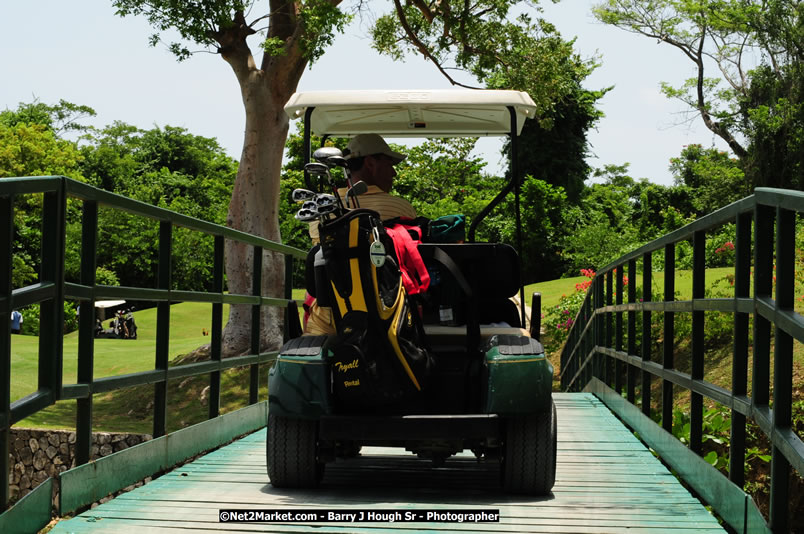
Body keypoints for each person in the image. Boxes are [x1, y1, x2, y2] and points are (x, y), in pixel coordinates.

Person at [304, 134, 416, 336]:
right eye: (389, 163)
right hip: (386, 314)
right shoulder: (401, 207)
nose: (394, 173)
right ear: (370, 163)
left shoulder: (322, 209)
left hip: (329, 319)